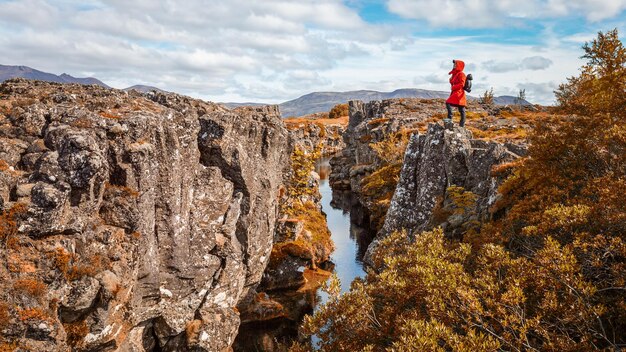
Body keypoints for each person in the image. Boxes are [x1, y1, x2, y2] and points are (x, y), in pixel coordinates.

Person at [445, 59, 467, 127]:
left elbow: (462, 84)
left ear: (459, 65)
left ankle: (450, 119)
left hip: (459, 93)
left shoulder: (461, 74)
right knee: (461, 109)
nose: (454, 65)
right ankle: (461, 124)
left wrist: (453, 87)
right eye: (454, 64)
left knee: (448, 102)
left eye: (455, 64)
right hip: (456, 93)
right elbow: (453, 82)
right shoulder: (456, 74)